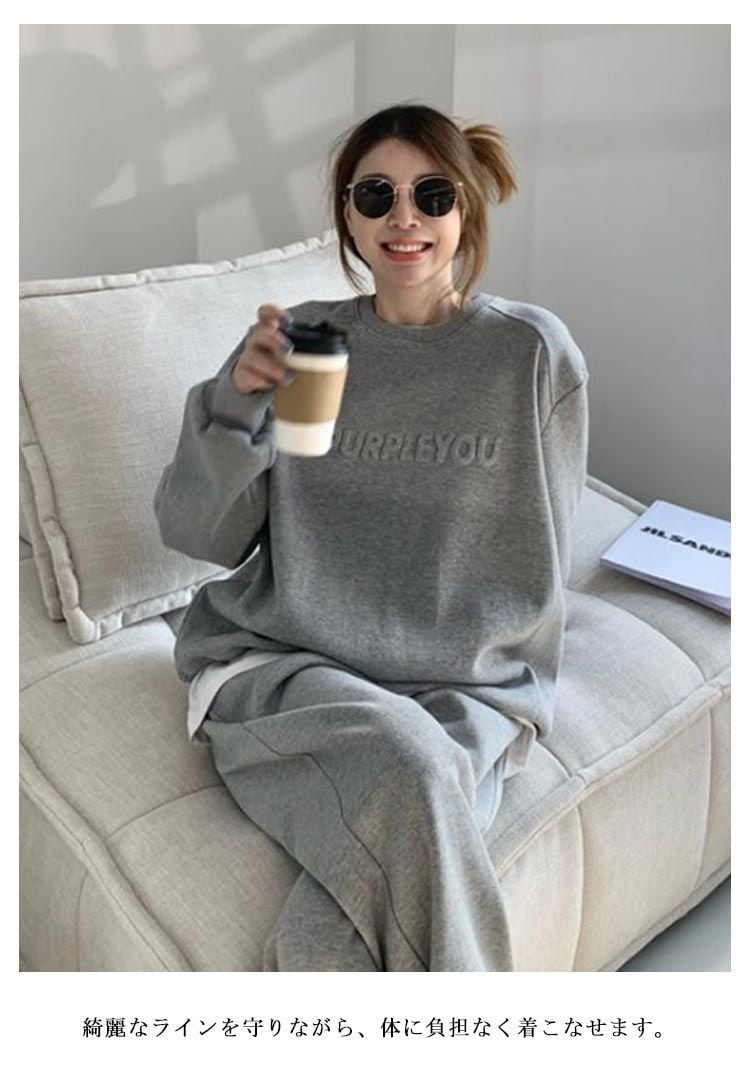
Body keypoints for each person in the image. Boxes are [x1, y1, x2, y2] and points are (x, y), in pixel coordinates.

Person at [154, 102, 589, 972]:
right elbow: (200, 532)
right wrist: (237, 408)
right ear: (348, 216)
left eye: (432, 194)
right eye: (376, 195)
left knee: (331, 941)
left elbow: (541, 558)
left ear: (466, 208)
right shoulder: (306, 343)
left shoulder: (530, 356)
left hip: (460, 693)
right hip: (286, 666)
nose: (405, 217)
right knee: (415, 767)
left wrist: (484, 680)